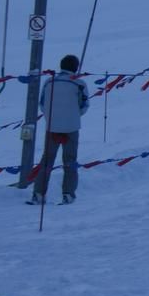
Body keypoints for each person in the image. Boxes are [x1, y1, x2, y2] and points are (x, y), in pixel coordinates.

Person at [27, 54, 90, 205]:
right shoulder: (79, 83)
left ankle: (38, 193)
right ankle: (68, 194)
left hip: (52, 126)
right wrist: (73, 115)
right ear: (75, 67)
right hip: (71, 127)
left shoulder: (49, 81)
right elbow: (84, 105)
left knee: (47, 161)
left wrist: (52, 117)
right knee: (69, 161)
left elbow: (42, 104)